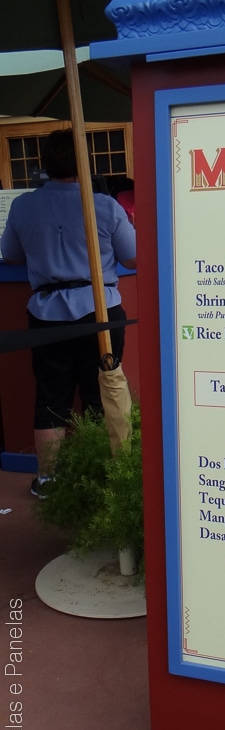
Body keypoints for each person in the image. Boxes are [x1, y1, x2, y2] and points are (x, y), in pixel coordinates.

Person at [0, 129, 136, 497]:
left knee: (51, 399)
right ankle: (104, 475)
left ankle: (49, 481)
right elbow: (132, 257)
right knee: (102, 394)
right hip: (99, 311)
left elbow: (10, 255)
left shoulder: (23, 206)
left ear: (44, 163)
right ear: (83, 163)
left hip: (47, 315)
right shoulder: (103, 205)